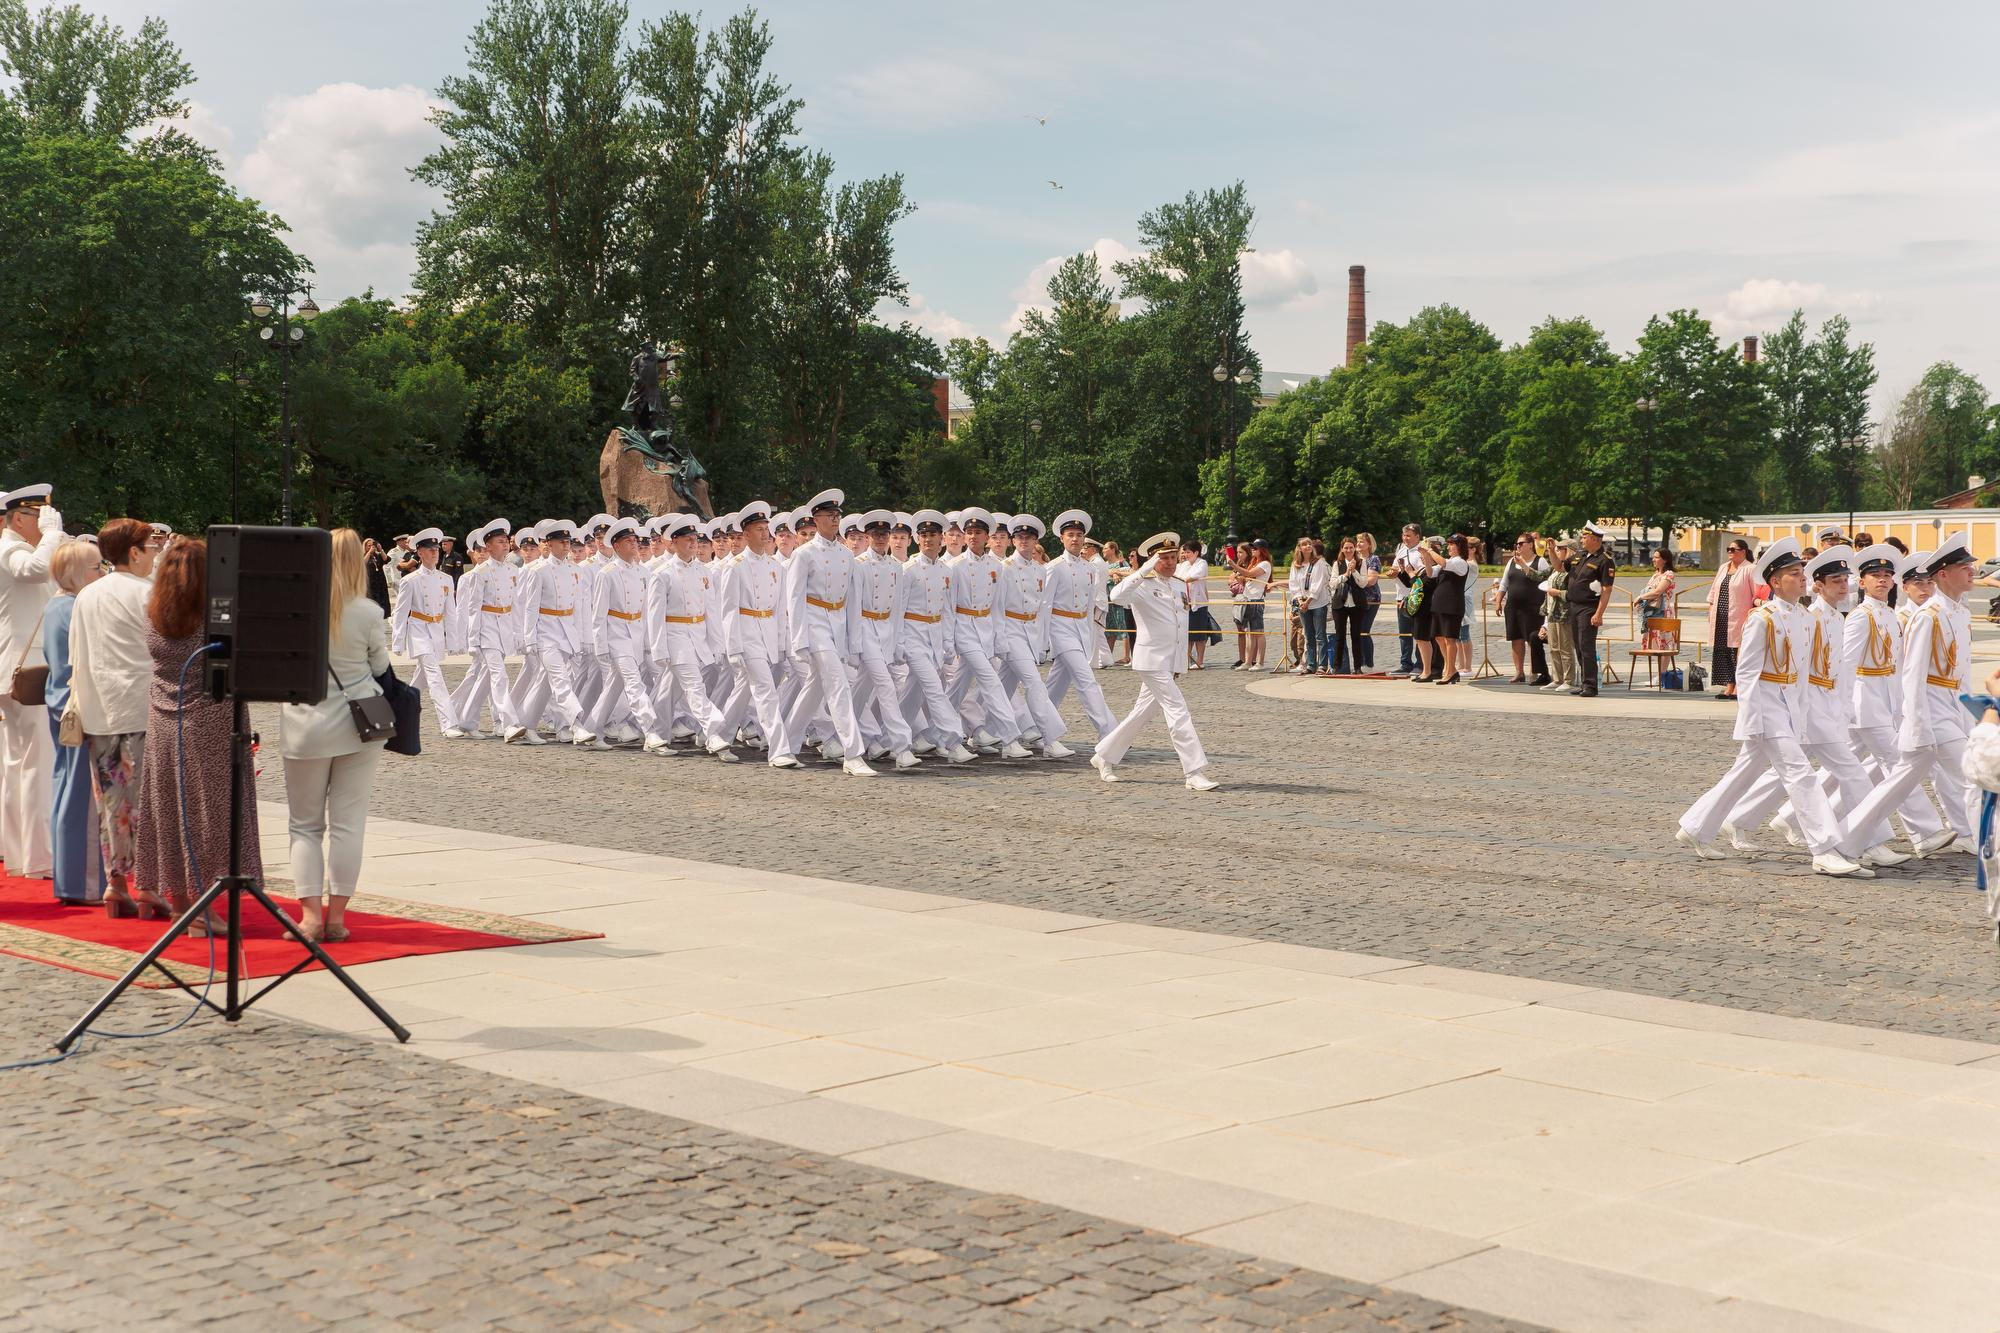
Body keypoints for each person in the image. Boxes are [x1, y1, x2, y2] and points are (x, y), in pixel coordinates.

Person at [1674, 538, 1870, 878]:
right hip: (1767, 708)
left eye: (1801, 572)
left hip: (1791, 708)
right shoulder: (1762, 618)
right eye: (1793, 574)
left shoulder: (1805, 620)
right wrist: (1753, 719)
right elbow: (1746, 673)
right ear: (1775, 582)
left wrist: (1804, 715)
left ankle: (1696, 825)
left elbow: (1804, 676)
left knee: (1743, 773)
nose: (1802, 578)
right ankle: (1824, 848)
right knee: (1801, 774)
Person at [134, 539, 260, 932]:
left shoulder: (156, 615)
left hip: (163, 721)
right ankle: (201, 906)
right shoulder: (212, 620)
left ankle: (179, 902)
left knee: (170, 810)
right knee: (212, 814)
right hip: (211, 724)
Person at [1832, 535, 1980, 863]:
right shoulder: (1929, 616)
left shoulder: (1959, 614)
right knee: (1975, 776)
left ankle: (1846, 840)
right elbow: (1911, 675)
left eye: (1970, 565)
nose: (1971, 571)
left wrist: (1969, 716)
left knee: (1895, 785)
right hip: (1932, 714)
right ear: (1943, 574)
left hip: (1951, 711)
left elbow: (1961, 675)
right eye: (1963, 566)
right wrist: (1916, 722)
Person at [279, 530, 391, 943]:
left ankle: (309, 916)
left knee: (305, 826)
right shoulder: (367, 611)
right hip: (360, 721)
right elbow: (381, 666)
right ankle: (338, 918)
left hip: (306, 723)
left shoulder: (298, 606)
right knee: (348, 824)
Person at [69, 518, 160, 917]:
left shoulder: (88, 595)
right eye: (150, 547)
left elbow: (77, 654)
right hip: (141, 707)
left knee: (110, 801)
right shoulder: (149, 594)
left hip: (100, 709)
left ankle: (116, 882)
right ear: (135, 552)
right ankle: (149, 885)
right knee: (147, 802)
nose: (155, 553)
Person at [1090, 532, 1218, 791]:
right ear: (1152, 560)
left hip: (1168, 662)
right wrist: (1144, 568)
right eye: (1164, 558)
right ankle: (1193, 771)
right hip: (1150, 660)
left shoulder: (1180, 584)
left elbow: (1180, 626)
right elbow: (1116, 596)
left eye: (1174, 557)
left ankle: (1103, 755)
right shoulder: (1141, 585)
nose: (1170, 562)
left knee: (1140, 714)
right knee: (1178, 710)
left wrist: (1178, 664)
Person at [0, 483, 64, 879]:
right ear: (20, 518)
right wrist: (54, 536)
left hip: (16, 667)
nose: (43, 524)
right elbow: (35, 570)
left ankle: (22, 853)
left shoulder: (16, 548)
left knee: (18, 762)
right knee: (34, 763)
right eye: (38, 517)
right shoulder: (11, 549)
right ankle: (37, 857)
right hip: (26, 668)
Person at [44, 541, 104, 905]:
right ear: (77, 574)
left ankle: (71, 879)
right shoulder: (73, 607)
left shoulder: (56, 604)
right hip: (77, 709)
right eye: (97, 567)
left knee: (66, 787)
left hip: (62, 706)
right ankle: (82, 882)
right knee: (80, 794)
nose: (102, 573)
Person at [1042, 510, 1119, 741]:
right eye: (1070, 535)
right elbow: (1045, 605)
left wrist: (1089, 637)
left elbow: (1087, 607)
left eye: (1079, 535)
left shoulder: (1090, 569)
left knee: (1055, 686)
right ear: (1061, 539)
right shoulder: (1054, 567)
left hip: (1079, 629)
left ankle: (1033, 725)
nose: (1075, 539)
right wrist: (1042, 640)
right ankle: (1110, 733)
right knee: (1087, 681)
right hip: (1059, 627)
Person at [1565, 522, 1618, 697]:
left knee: (1587, 646)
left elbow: (1606, 589)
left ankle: (1590, 685)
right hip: (1574, 606)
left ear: (1595, 539)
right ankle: (1584, 682)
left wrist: (1599, 613)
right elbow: (1560, 567)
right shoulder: (1580, 555)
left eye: (1585, 537)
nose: (1581, 540)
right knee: (1579, 646)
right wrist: (1550, 550)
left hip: (1589, 607)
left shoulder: (1605, 560)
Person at [1418, 534, 1473, 685]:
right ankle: (1451, 669)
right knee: (1439, 637)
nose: (1448, 547)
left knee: (1450, 638)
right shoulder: (1448, 562)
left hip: (1452, 605)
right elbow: (1430, 573)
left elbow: (1442, 562)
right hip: (1439, 605)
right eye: (1448, 544)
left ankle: (1450, 671)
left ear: (1459, 547)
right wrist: (1425, 555)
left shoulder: (1460, 562)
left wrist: (1430, 550)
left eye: (1451, 544)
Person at [1496, 534, 1551, 685]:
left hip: (1532, 607)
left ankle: (1535, 671)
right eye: (1517, 544)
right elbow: (1504, 582)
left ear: (1530, 545)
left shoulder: (1540, 562)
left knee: (1531, 639)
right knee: (1516, 638)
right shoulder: (1512, 562)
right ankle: (1519, 672)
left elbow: (1548, 585)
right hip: (1513, 606)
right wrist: (1499, 600)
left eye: (1521, 543)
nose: (1518, 546)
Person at [1707, 538, 1757, 701]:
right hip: (1720, 615)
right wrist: (1710, 609)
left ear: (1743, 552)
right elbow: (1714, 591)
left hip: (1739, 616)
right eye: (1728, 549)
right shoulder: (1723, 568)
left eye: (1733, 549)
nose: (1729, 551)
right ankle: (1729, 685)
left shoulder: (1750, 569)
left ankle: (1739, 686)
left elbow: (1756, 594)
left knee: (1738, 651)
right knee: (1723, 650)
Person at [1287, 536, 1330, 674]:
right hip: (1302, 604)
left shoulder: (1319, 563)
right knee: (1308, 635)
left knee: (1320, 635)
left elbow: (1318, 583)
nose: (1308, 547)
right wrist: (1300, 600)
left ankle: (1322, 665)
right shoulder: (1296, 564)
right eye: (1304, 545)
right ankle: (1311, 664)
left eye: (1309, 544)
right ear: (1299, 548)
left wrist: (1308, 601)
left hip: (1317, 603)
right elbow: (1293, 584)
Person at [1228, 539, 1272, 671]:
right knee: (1249, 632)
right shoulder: (1254, 562)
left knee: (1258, 632)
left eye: (1255, 548)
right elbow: (1246, 578)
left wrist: (1233, 564)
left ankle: (1260, 662)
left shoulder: (1265, 564)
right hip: (1248, 599)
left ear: (1262, 550)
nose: (1252, 550)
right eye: (1252, 548)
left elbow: (1249, 574)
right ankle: (1248, 661)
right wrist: (1240, 578)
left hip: (1256, 600)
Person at [1177, 538, 1218, 669]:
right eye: (1184, 552)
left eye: (1188, 552)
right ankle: (1187, 659)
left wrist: (1181, 581)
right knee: (1187, 633)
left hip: (1198, 603)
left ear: (1196, 552)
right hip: (1185, 603)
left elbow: (1192, 577)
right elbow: (1177, 577)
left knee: (1199, 634)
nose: (1185, 555)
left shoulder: (1202, 563)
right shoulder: (1184, 565)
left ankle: (1199, 661)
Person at [1390, 524, 1425, 676]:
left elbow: (1422, 574)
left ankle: (1420, 663)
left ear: (1417, 536)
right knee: (1404, 633)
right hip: (1401, 596)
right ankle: (1405, 663)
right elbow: (1395, 568)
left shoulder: (1422, 551)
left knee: (1418, 632)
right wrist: (1393, 572)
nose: (1405, 538)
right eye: (1404, 535)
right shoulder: (1401, 551)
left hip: (1416, 597)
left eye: (1409, 535)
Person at [1539, 538, 1574, 691]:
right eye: (1558, 548)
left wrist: (1558, 593)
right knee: (1554, 647)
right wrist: (1551, 550)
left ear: (1570, 550)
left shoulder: (1572, 567)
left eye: (1561, 548)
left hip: (1565, 613)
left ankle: (1569, 679)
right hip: (1553, 611)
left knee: (1565, 647)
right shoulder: (1557, 568)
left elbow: (1574, 592)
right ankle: (1557, 678)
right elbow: (1556, 567)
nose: (1559, 550)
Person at [1354, 532, 1384, 674]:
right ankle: (1358, 663)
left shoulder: (1374, 559)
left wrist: (1356, 581)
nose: (1358, 544)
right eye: (1357, 541)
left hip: (1370, 600)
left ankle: (1368, 663)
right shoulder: (1353, 558)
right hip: (1354, 600)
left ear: (1369, 544)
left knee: (1364, 630)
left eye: (1362, 541)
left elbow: (1372, 581)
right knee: (1356, 631)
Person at [1101, 540, 1134, 665]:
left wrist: (1116, 572)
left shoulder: (1121, 563)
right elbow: (1102, 574)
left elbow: (1129, 573)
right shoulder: (1104, 564)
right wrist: (1113, 573)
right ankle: (1108, 655)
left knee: (1123, 625)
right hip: (1107, 598)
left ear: (1113, 549)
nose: (1103, 550)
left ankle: (1126, 656)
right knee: (1110, 626)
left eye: (1105, 548)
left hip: (1119, 599)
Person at [1636, 547, 1677, 622]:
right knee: (1648, 632)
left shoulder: (1668, 574)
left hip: (1661, 611)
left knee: (1659, 633)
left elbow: (1657, 592)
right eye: (1653, 557)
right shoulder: (1655, 574)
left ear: (1665, 560)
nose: (1653, 560)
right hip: (1650, 610)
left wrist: (1640, 597)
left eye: (1656, 557)